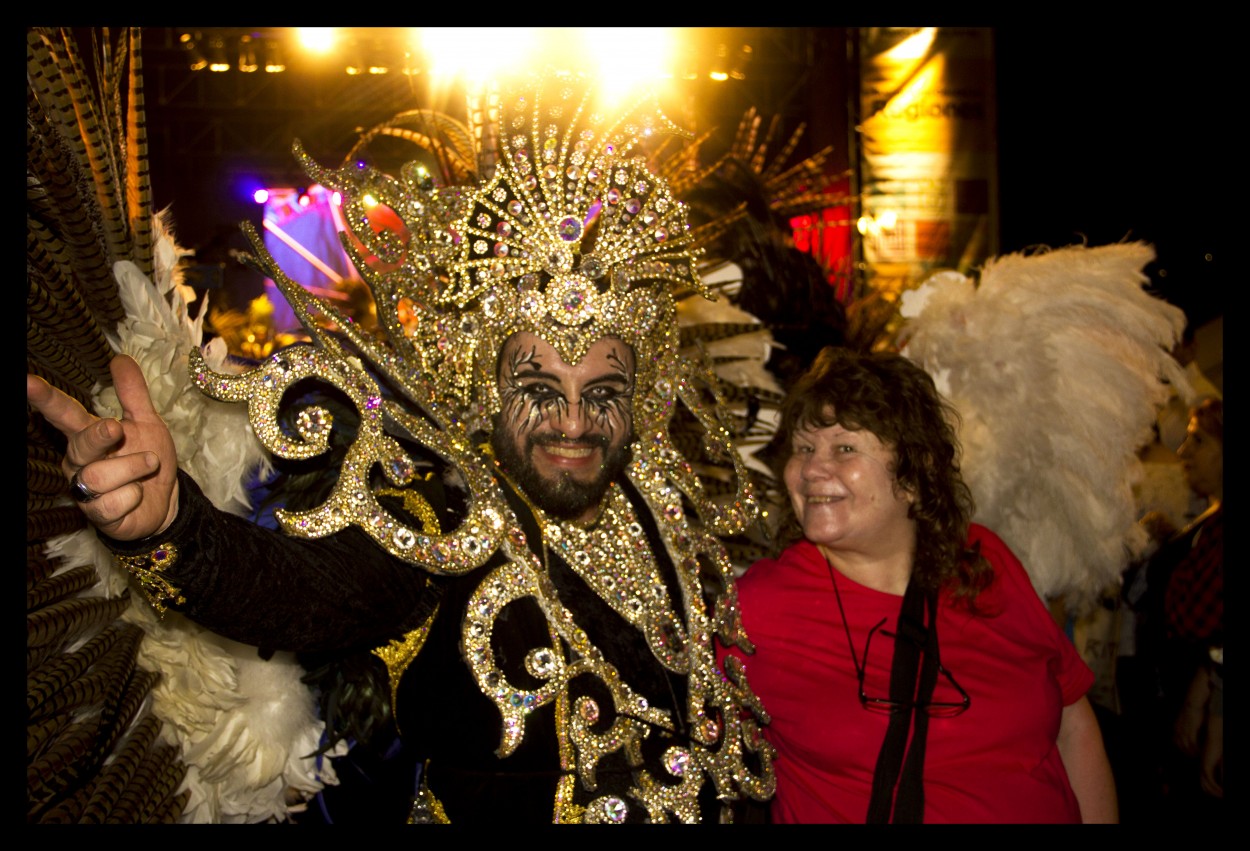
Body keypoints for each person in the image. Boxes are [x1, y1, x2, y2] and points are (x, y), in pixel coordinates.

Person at [26, 72, 775, 824]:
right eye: (538, 386)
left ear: (639, 398)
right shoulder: (435, 520)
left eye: (603, 392)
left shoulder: (657, 510)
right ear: (484, 384)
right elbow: (297, 590)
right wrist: (172, 529)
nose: (573, 420)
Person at [720, 346, 1118, 823]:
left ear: (912, 475)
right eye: (804, 449)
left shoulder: (983, 562)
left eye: (844, 448)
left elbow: (1071, 720)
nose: (810, 469)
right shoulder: (759, 609)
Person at [1120, 397, 1223, 819]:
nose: (1183, 451)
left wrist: (1204, 706)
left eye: (1197, 440)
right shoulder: (1211, 521)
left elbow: (1217, 633)